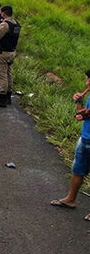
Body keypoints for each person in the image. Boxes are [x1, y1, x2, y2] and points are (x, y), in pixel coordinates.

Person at [49, 70, 90, 221]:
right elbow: (80, 115)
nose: (87, 83)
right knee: (77, 170)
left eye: (89, 80)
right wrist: (79, 102)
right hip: (85, 138)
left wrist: (83, 113)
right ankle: (70, 199)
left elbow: (83, 115)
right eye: (88, 79)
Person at [0, 5, 19, 107]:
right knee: (8, 74)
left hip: (3, 53)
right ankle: (8, 97)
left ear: (4, 13)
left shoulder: (4, 25)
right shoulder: (16, 24)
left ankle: (2, 98)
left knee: (1, 75)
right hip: (12, 52)